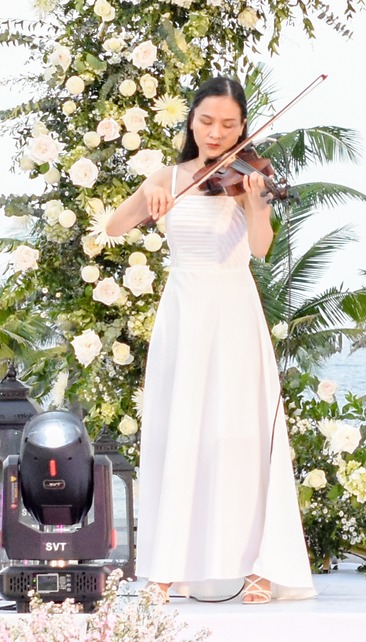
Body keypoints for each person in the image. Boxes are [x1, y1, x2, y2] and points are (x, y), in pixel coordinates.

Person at [101, 76, 314, 604]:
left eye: (229, 124)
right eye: (206, 122)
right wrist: (152, 192)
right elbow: (113, 226)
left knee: (239, 433)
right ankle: (166, 567)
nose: (216, 133)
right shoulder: (169, 176)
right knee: (182, 431)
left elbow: (261, 248)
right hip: (184, 308)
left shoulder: (248, 179)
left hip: (234, 308)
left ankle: (260, 566)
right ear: (191, 121)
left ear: (243, 127)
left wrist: (255, 204)